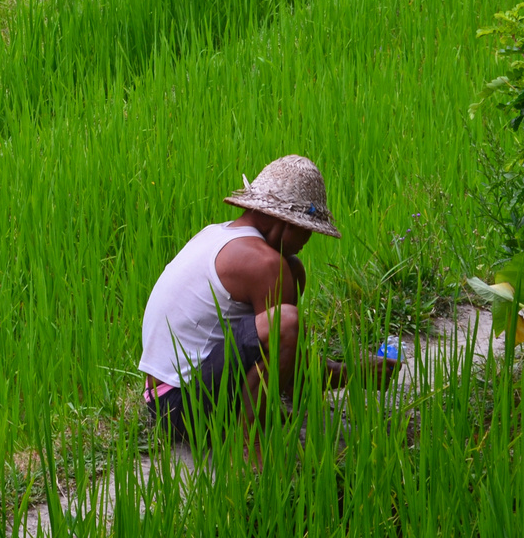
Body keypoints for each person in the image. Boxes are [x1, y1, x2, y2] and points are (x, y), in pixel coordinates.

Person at [137, 155, 396, 445]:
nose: (308, 239)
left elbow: (286, 363)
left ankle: (266, 411)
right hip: (183, 409)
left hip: (159, 400)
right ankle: (249, 442)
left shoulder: (218, 235)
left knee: (293, 272)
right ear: (287, 223)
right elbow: (293, 360)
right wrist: (350, 373)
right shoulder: (264, 264)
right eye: (308, 229)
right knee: (285, 322)